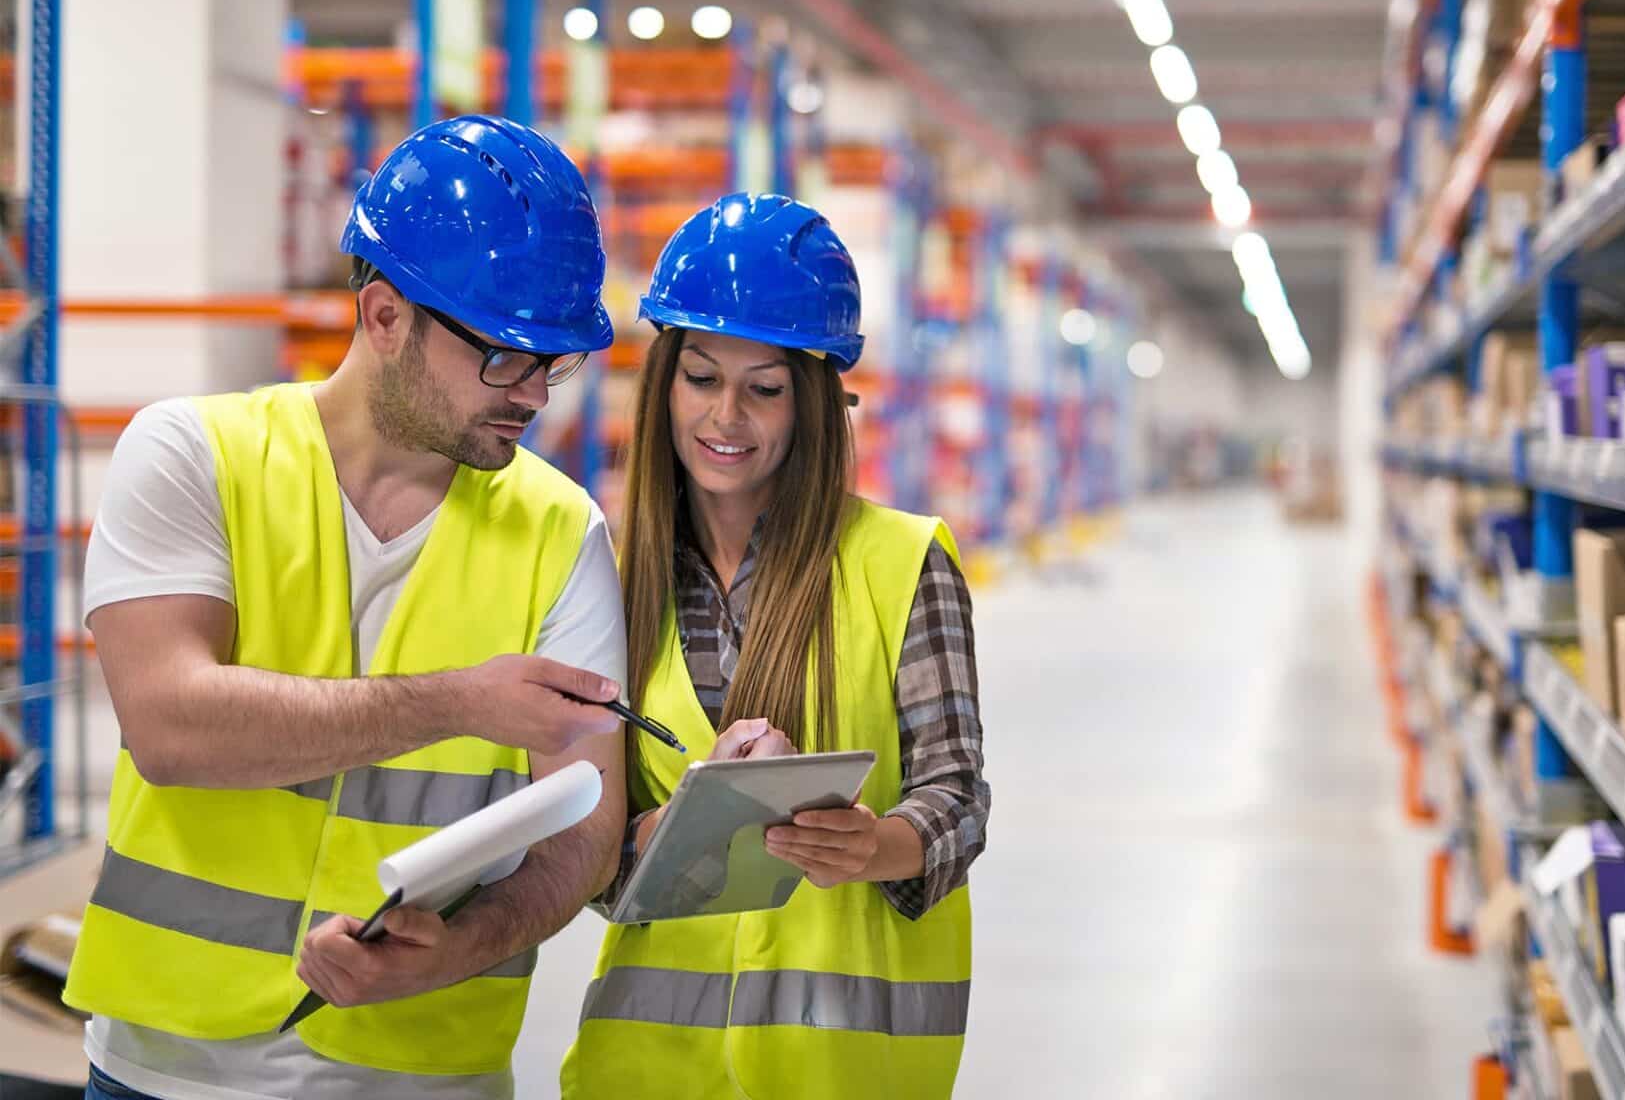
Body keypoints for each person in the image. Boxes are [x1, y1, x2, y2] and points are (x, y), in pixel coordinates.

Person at [65, 115, 630, 1100]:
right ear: (383, 318)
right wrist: (455, 702)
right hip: (167, 1068)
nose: (535, 393)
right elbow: (169, 725)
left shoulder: (560, 528)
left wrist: (461, 948)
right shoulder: (193, 455)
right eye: (505, 357)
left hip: (424, 1074)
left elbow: (584, 821)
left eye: (556, 363)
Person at [561, 193, 990, 1099]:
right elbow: (592, 861)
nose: (726, 418)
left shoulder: (903, 563)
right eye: (702, 378)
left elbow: (957, 799)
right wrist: (656, 836)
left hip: (836, 1074)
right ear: (665, 383)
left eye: (764, 390)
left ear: (815, 406)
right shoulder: (609, 574)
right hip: (645, 1074)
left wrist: (875, 845)